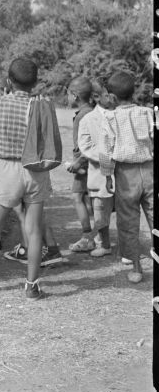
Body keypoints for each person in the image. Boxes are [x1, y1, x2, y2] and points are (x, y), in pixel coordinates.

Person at [0, 58, 56, 300]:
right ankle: (32, 285)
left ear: (8, 81)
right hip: (36, 170)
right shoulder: (41, 106)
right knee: (34, 230)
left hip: (7, 169)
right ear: (35, 83)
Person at [99, 71, 153, 284]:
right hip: (149, 170)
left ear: (111, 97)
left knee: (128, 222)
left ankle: (137, 268)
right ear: (134, 92)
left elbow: (105, 149)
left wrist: (107, 175)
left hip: (124, 174)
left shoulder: (109, 118)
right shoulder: (148, 113)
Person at [77, 81, 116, 259]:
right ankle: (104, 244)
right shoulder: (87, 119)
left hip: (121, 172)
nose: (111, 98)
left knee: (124, 210)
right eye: (107, 95)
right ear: (96, 97)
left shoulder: (119, 114)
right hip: (100, 172)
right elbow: (85, 146)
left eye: (112, 94)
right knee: (100, 210)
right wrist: (106, 156)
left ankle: (128, 245)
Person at [66, 77, 96, 253]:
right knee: (90, 199)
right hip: (91, 164)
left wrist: (78, 163)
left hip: (84, 165)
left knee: (77, 198)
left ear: (75, 95)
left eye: (68, 94)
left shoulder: (83, 116)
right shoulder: (91, 111)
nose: (67, 98)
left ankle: (87, 237)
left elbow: (88, 145)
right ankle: (98, 235)